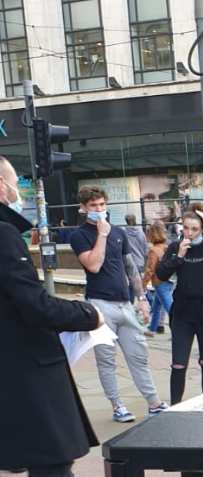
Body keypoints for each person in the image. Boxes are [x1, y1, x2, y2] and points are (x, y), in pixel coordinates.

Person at [0, 158, 103, 477]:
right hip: (25, 371)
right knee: (52, 462)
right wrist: (88, 314)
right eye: (15, 184)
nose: (18, 193)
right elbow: (34, 305)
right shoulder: (3, 234)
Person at [70, 186, 167, 423]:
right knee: (106, 359)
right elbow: (93, 265)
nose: (99, 209)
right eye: (94, 206)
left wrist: (142, 298)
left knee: (139, 354)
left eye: (102, 204)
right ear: (84, 208)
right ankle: (117, 405)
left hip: (125, 303)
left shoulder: (119, 233)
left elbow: (130, 268)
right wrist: (101, 235)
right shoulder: (79, 235)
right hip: (100, 304)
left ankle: (153, 402)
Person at [156, 203, 203, 404]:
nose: (189, 233)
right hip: (182, 312)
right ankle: (175, 405)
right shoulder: (175, 246)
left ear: (202, 229)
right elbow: (161, 274)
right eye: (186, 228)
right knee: (178, 363)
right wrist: (178, 257)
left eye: (195, 229)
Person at [142, 221, 172, 335]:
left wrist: (143, 284)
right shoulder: (167, 247)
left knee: (169, 307)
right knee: (157, 305)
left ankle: (179, 330)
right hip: (169, 280)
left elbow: (150, 270)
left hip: (159, 282)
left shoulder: (153, 251)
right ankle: (153, 328)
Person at [124, 214, 148, 302]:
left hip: (129, 262)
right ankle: (145, 301)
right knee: (140, 284)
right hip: (140, 262)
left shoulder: (124, 234)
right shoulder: (141, 234)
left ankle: (131, 303)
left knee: (131, 284)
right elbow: (146, 250)